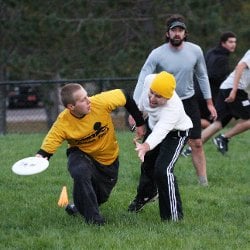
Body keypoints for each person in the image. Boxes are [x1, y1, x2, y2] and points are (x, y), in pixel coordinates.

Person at [36, 83, 145, 226]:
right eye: (82, 100)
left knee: (101, 197)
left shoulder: (99, 102)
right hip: (81, 154)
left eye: (87, 96)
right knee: (80, 172)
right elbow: (49, 145)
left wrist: (140, 122)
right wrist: (38, 159)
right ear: (71, 107)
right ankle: (95, 221)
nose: (88, 101)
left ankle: (78, 207)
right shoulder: (63, 122)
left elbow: (124, 95)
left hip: (108, 159)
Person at [131, 14, 217, 186]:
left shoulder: (195, 51)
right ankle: (154, 180)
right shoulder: (157, 54)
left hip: (188, 101)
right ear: (168, 33)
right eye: (174, 30)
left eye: (180, 30)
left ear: (185, 33)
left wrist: (209, 103)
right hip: (164, 104)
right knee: (156, 140)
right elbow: (143, 77)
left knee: (197, 142)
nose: (177, 33)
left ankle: (203, 182)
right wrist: (135, 109)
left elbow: (202, 75)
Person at [129, 71, 193, 221]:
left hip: (175, 134)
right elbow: (143, 106)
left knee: (163, 170)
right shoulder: (149, 80)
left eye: (158, 97)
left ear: (168, 97)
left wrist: (145, 146)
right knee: (148, 166)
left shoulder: (173, 109)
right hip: (154, 126)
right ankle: (146, 195)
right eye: (152, 93)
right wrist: (139, 122)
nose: (152, 98)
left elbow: (160, 132)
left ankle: (173, 217)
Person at [182, 31, 237, 156]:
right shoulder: (221, 58)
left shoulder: (211, 52)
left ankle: (189, 141)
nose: (233, 45)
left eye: (234, 42)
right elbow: (212, 75)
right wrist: (227, 80)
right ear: (223, 43)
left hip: (197, 89)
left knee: (208, 122)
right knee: (212, 123)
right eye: (230, 42)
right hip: (205, 94)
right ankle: (189, 141)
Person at [201, 49, 250, 154]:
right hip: (233, 89)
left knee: (218, 123)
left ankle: (191, 149)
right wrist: (234, 90)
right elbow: (240, 66)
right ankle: (223, 138)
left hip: (227, 87)